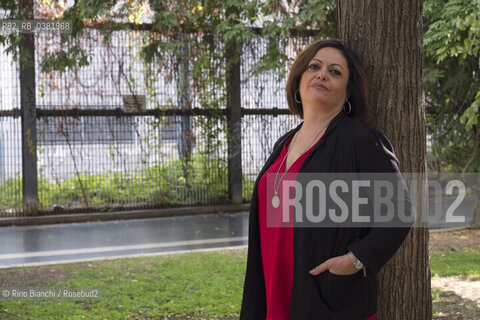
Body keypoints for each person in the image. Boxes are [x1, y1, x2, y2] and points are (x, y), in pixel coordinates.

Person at [239, 39, 414, 320]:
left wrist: (357, 259)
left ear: (347, 94)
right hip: (274, 288)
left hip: (324, 297)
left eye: (335, 72)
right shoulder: (282, 145)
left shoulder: (362, 142)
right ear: (298, 81)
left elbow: (400, 211)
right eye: (314, 66)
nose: (322, 74)